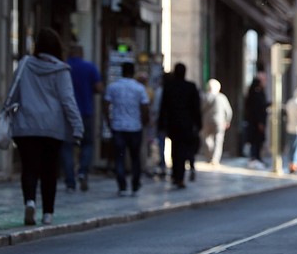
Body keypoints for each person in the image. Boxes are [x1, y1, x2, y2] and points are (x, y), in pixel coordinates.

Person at [9, 28, 83, 225]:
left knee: (29, 167)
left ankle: (30, 201)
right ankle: (48, 213)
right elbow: (68, 101)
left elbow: (13, 93)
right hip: (52, 128)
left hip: (26, 126)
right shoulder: (61, 70)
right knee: (49, 170)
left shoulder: (24, 64)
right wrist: (78, 127)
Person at [61, 43, 104, 193]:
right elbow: (99, 88)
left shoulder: (64, 67)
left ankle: (70, 181)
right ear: (81, 53)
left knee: (67, 146)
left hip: (66, 112)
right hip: (85, 111)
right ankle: (82, 172)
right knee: (87, 144)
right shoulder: (89, 67)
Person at [103, 62, 150, 197]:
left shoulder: (113, 87)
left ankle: (122, 186)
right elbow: (145, 107)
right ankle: (135, 184)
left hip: (118, 126)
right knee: (135, 157)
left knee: (119, 157)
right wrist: (144, 121)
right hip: (135, 127)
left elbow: (106, 105)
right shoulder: (139, 88)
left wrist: (109, 121)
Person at [157, 63, 201, 189]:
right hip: (186, 124)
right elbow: (196, 108)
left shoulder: (169, 87)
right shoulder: (190, 87)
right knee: (181, 149)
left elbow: (163, 108)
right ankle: (179, 176)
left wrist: (161, 124)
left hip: (173, 124)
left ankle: (177, 175)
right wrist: (198, 124)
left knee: (175, 150)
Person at [201, 78, 232, 165]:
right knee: (218, 140)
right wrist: (227, 120)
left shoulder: (204, 97)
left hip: (206, 122)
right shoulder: (222, 97)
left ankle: (210, 156)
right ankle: (215, 158)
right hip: (219, 122)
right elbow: (228, 111)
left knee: (207, 140)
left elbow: (200, 109)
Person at [244, 76, 269, 169]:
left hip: (254, 123)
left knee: (256, 142)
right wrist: (260, 122)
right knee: (256, 142)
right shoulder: (256, 94)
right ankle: (254, 158)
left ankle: (256, 158)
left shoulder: (253, 94)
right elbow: (257, 109)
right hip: (255, 124)